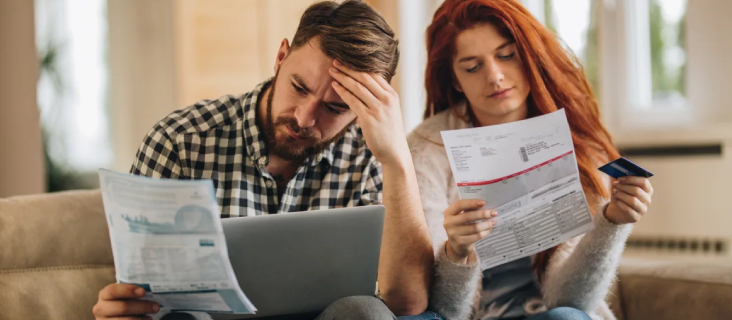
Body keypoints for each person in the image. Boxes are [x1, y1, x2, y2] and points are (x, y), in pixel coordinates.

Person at [92, 1, 436, 319]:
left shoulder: (371, 156)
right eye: (299, 87)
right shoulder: (180, 143)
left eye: (335, 108)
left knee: (366, 312)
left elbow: (407, 303)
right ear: (281, 57)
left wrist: (397, 162)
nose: (304, 118)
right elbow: (138, 294)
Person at [407, 0, 654, 319]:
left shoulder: (577, 143)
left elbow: (571, 302)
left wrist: (613, 223)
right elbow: (442, 310)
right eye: (472, 66)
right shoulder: (426, 148)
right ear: (455, 80)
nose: (494, 76)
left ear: (528, 54)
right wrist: (456, 252)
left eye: (506, 55)